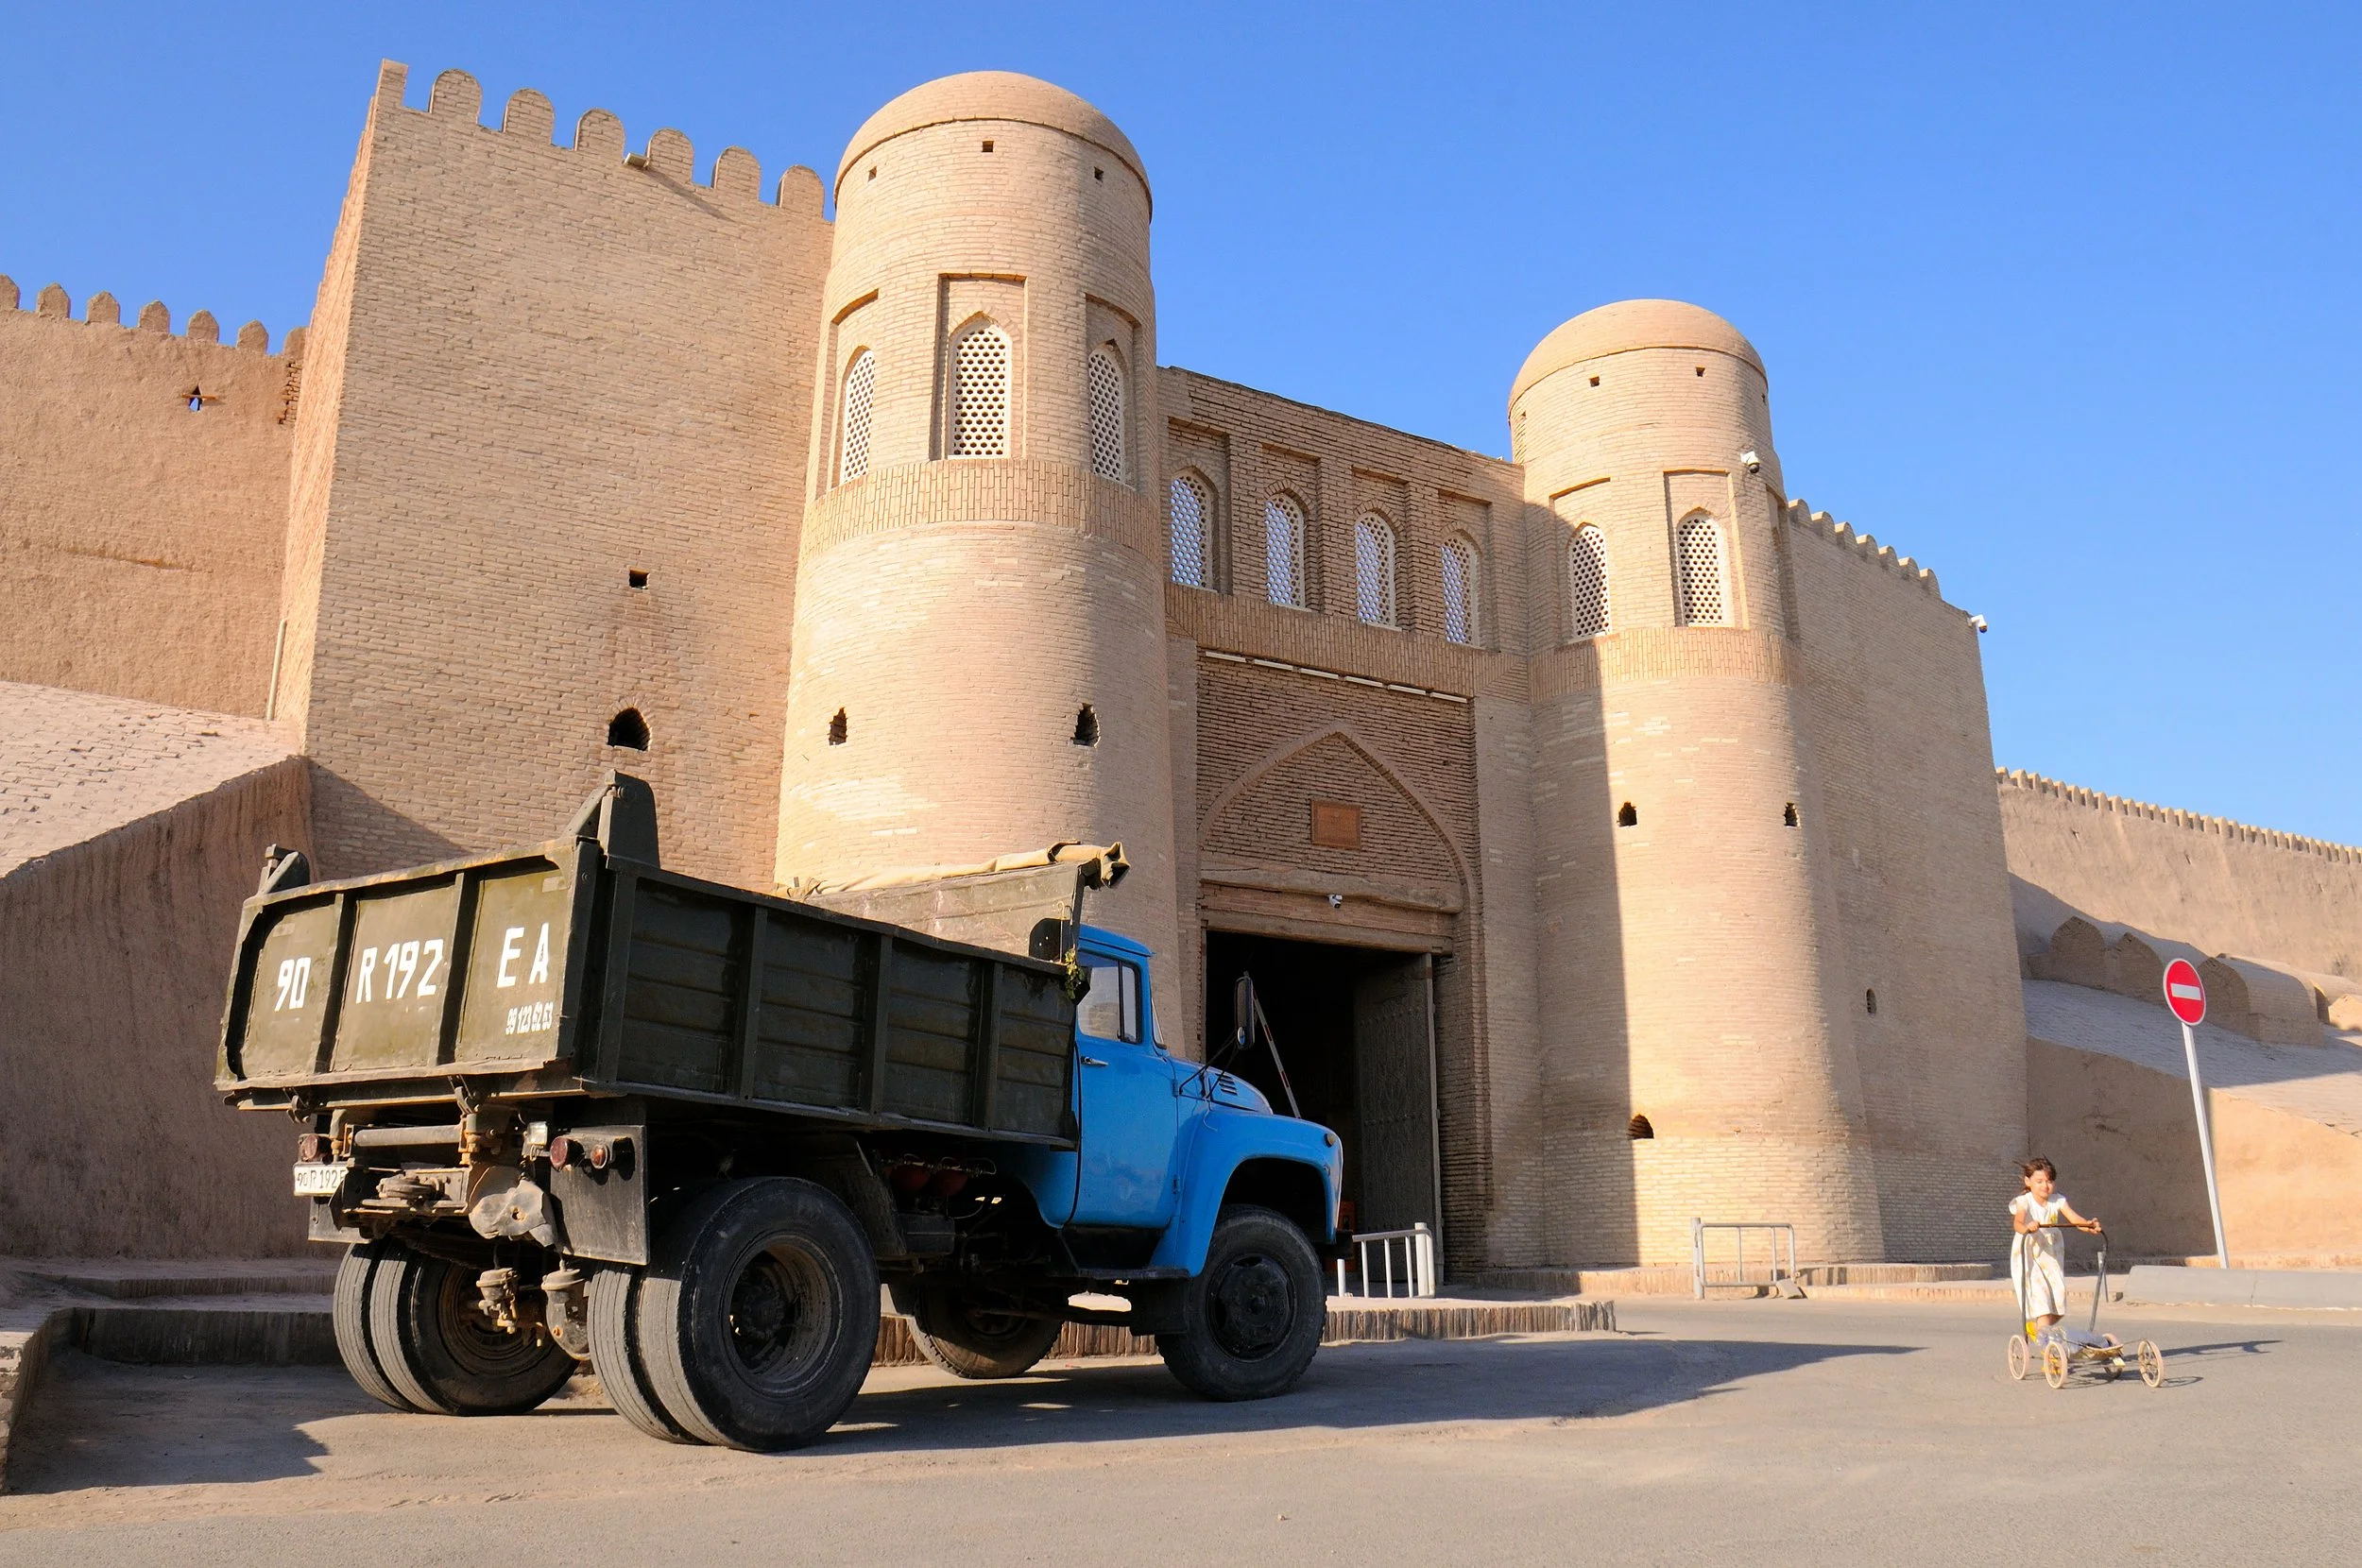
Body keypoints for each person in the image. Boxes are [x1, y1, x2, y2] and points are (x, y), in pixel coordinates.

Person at [2011, 1156, 2100, 1342]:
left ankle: (2037, 1329)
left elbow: (2075, 1220)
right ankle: (2048, 1352)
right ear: (2028, 1182)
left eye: (2049, 1181)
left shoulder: (2057, 1201)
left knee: (2058, 1304)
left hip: (2050, 1255)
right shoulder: (2024, 1202)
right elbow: (2018, 1223)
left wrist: (2089, 1226)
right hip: (2029, 1256)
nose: (2045, 1186)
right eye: (2040, 1181)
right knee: (2042, 1301)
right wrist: (2028, 1227)